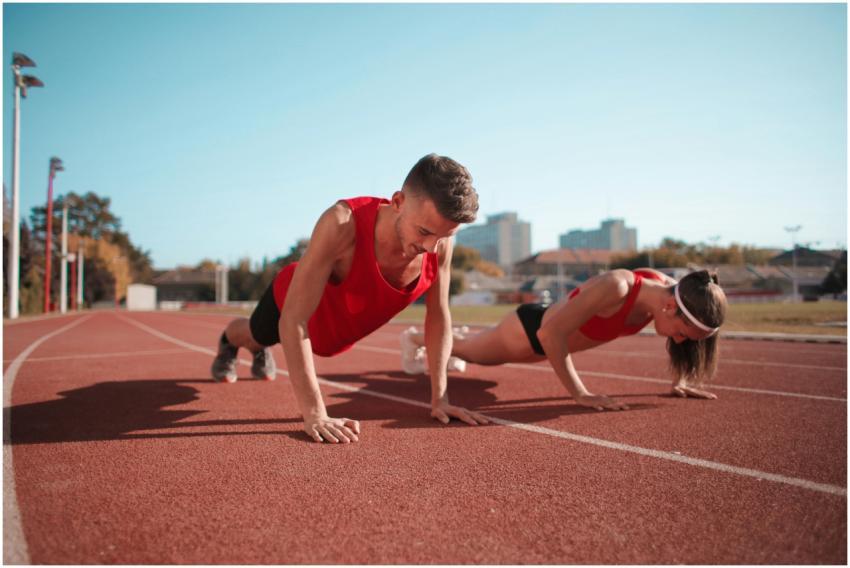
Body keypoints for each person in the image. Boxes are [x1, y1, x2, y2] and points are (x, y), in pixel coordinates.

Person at [211, 153, 489, 443]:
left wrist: (440, 398)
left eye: (444, 236)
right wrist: (315, 413)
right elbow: (293, 320)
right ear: (398, 202)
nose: (432, 248)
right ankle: (230, 342)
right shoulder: (342, 223)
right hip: (295, 305)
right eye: (424, 232)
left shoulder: (440, 242)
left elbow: (438, 315)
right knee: (256, 335)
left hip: (339, 333)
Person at [400, 268, 727, 410]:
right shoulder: (619, 287)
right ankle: (416, 339)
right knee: (472, 355)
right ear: (670, 307)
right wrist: (581, 394)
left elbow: (685, 336)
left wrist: (680, 380)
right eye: (683, 334)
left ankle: (451, 339)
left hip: (550, 342)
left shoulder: (670, 293)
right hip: (530, 332)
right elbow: (549, 333)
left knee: (472, 353)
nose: (682, 342)